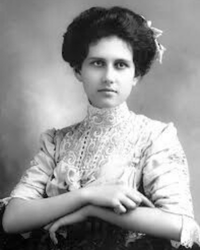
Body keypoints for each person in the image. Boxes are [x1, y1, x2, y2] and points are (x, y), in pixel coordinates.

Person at [0, 5, 200, 250]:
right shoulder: (57, 142)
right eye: (97, 63)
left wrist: (96, 211)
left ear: (135, 75)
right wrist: (88, 195)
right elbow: (13, 219)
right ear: (78, 71)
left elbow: (182, 226)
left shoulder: (155, 137)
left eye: (121, 65)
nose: (108, 77)